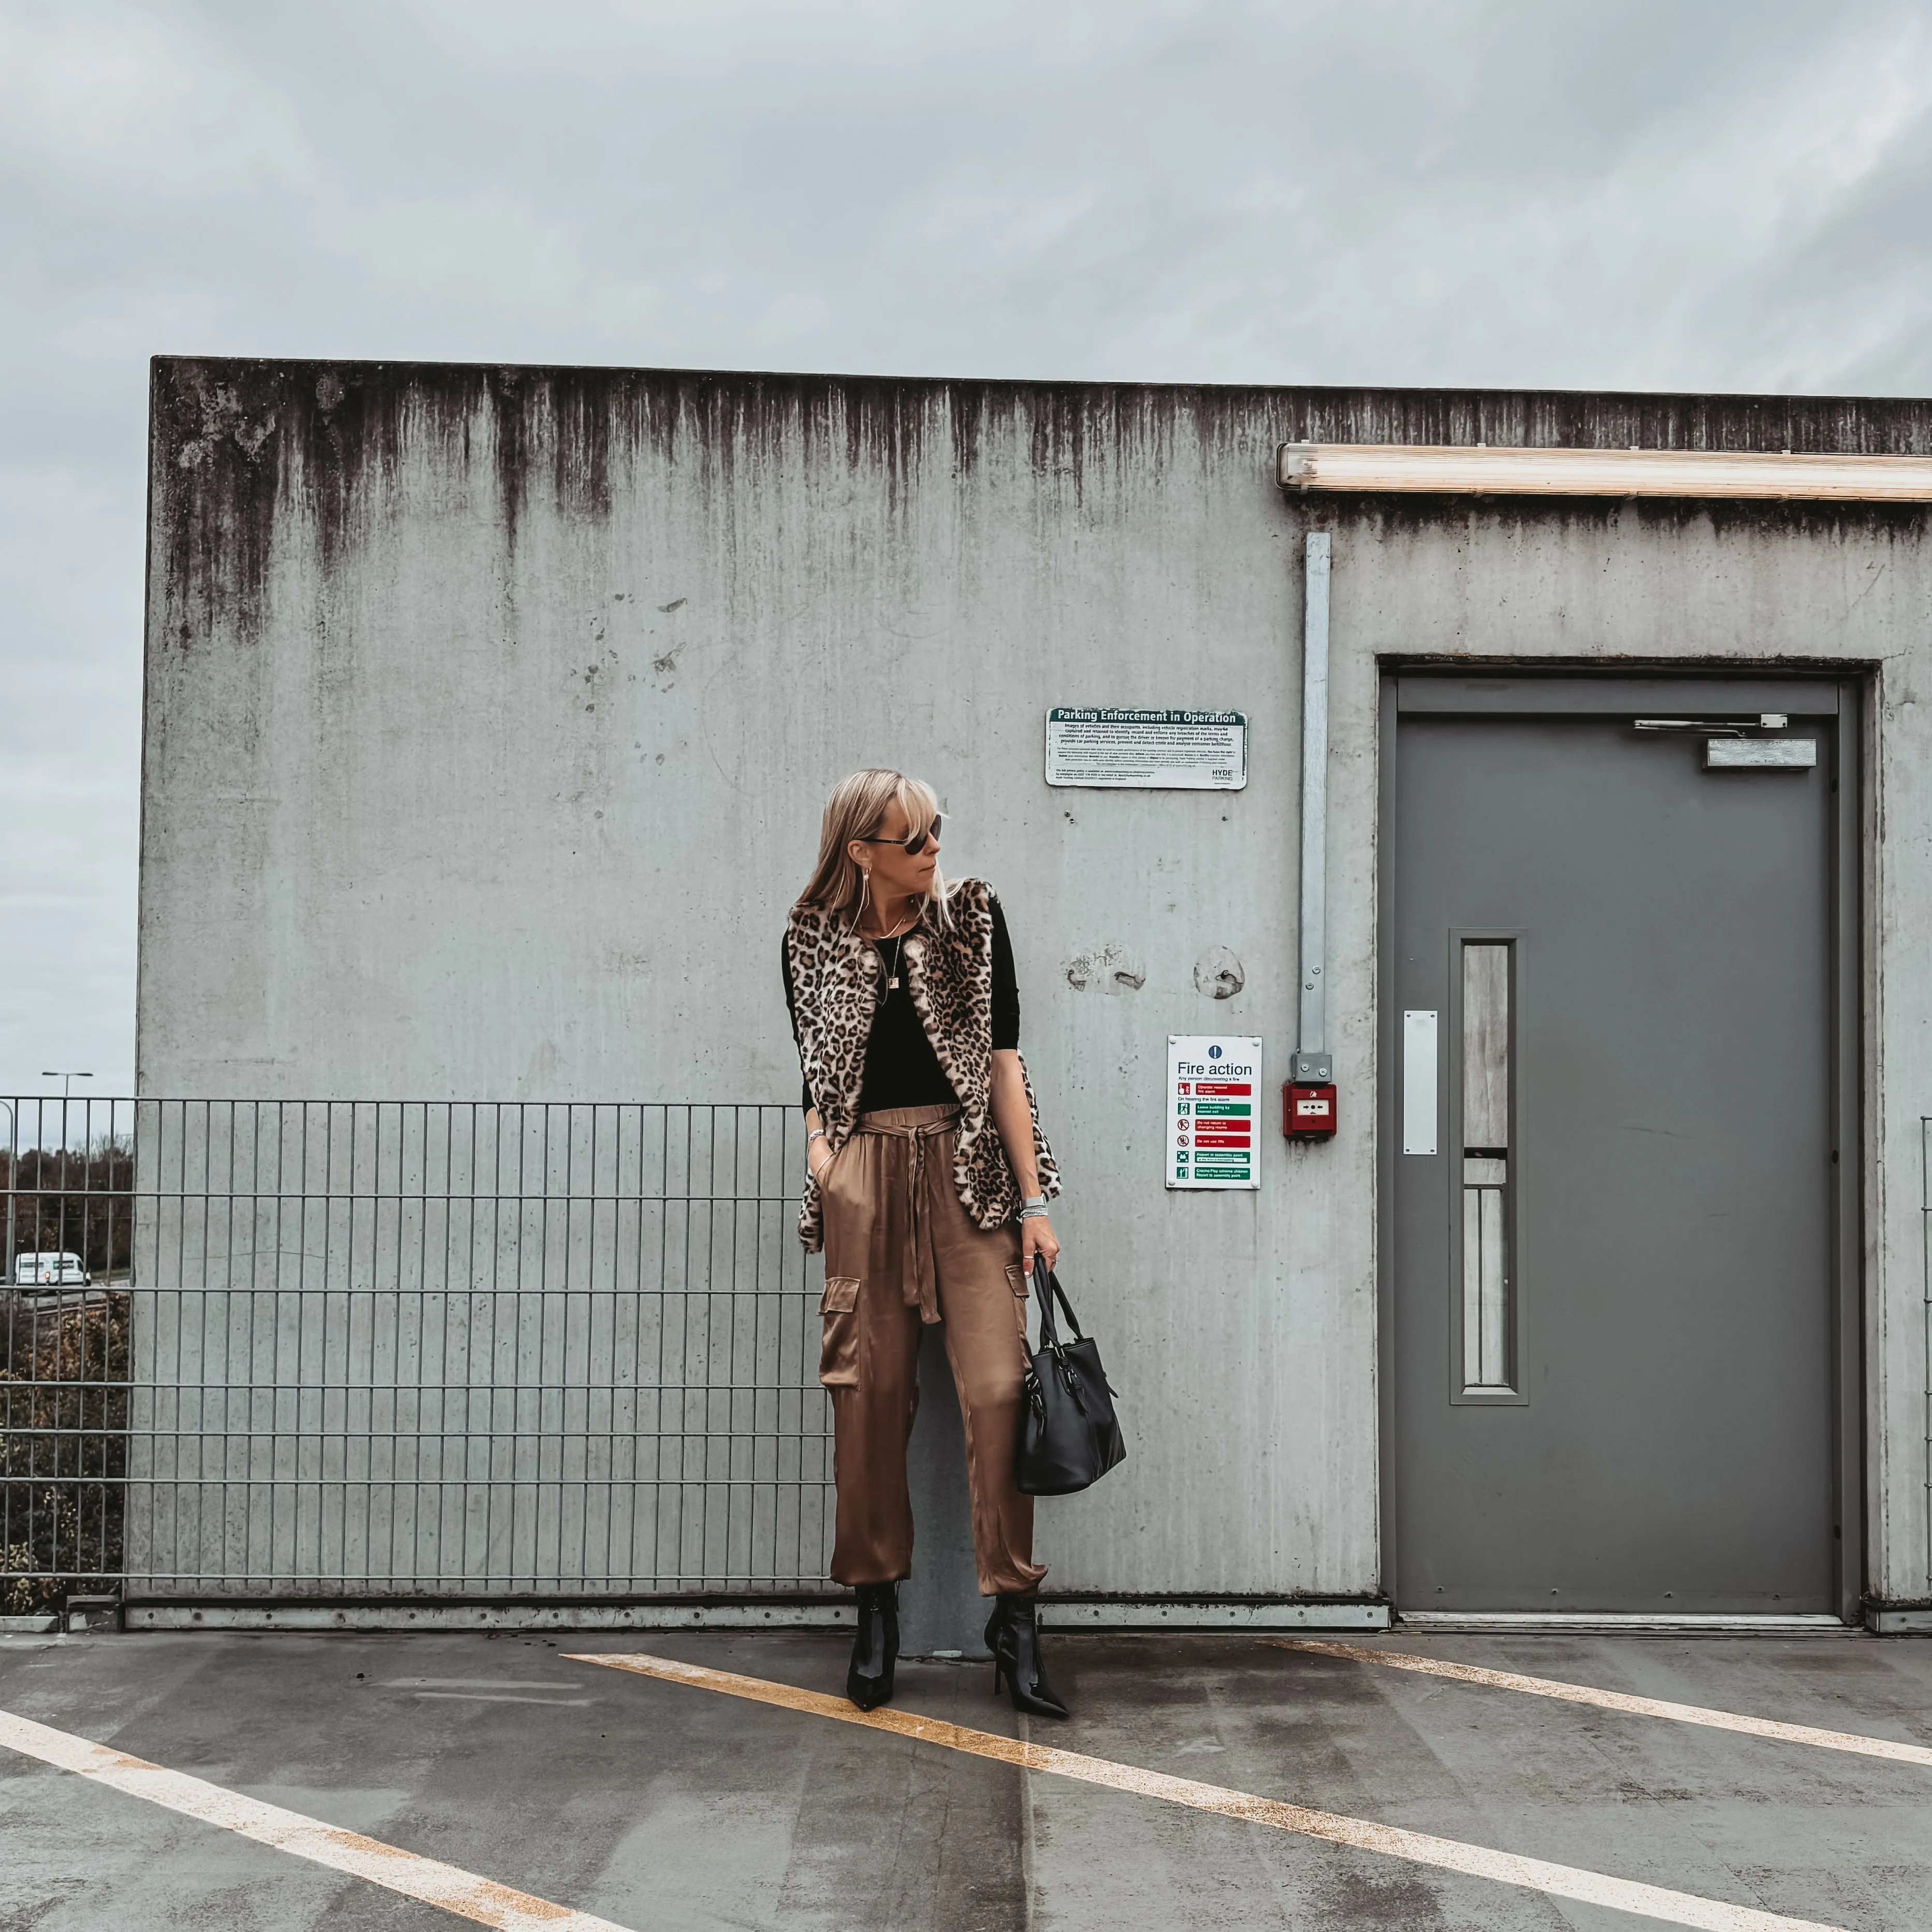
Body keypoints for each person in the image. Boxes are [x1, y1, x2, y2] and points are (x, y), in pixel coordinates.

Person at [782, 768, 1068, 1719]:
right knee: (867, 1397)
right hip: (866, 1174)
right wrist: (827, 1159)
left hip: (966, 1170)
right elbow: (814, 1076)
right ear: (861, 852)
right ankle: (875, 1610)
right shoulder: (809, 939)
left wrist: (1033, 1200)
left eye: (936, 829)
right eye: (914, 838)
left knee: (996, 1389)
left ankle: (1014, 1615)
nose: (935, 848)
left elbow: (1001, 1064)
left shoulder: (971, 924)